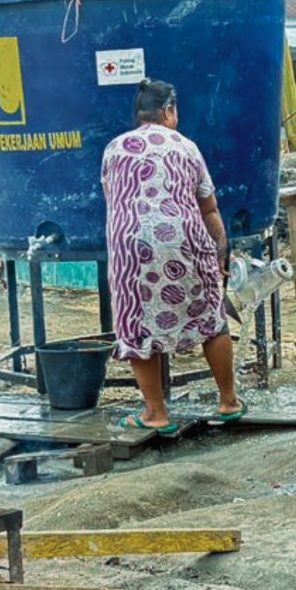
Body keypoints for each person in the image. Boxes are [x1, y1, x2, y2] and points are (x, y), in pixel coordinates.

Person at [99, 79, 243, 435]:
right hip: (185, 239)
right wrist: (219, 255)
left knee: (137, 322)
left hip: (132, 245)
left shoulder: (114, 149)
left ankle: (155, 412)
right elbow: (208, 208)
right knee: (212, 318)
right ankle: (228, 401)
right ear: (168, 111)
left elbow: (114, 200)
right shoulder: (186, 147)